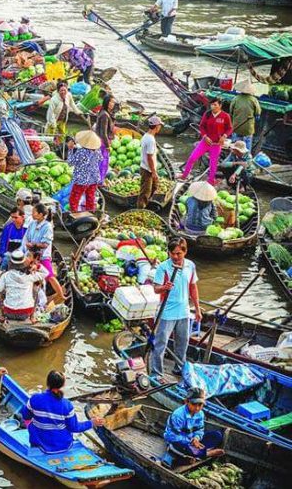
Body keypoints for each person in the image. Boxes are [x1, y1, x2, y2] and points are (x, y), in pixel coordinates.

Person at [151, 237, 200, 380]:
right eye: (172, 253)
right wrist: (164, 287)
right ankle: (156, 373)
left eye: (178, 253)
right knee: (160, 344)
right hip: (166, 313)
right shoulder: (163, 268)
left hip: (183, 311)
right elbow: (156, 289)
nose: (175, 257)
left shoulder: (190, 266)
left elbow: (193, 287)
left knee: (182, 342)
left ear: (185, 252)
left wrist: (197, 309)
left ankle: (179, 369)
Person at [23, 371, 105, 454]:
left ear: (47, 383)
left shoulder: (35, 399)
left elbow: (25, 416)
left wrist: (31, 426)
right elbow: (74, 428)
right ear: (62, 385)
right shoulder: (67, 405)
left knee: (31, 423)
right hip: (64, 446)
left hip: (39, 445)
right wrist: (91, 423)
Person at [164, 388, 224, 463]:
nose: (197, 408)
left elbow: (199, 430)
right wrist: (190, 441)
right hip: (178, 442)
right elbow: (171, 436)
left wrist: (196, 438)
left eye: (200, 404)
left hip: (193, 441)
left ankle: (197, 454)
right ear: (186, 401)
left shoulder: (200, 414)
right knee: (176, 448)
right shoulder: (178, 415)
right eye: (193, 404)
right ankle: (206, 453)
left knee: (217, 435)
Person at [180, 98, 232, 185]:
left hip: (216, 144)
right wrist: (205, 136)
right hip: (205, 142)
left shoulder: (225, 116)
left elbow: (229, 128)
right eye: (212, 105)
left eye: (215, 105)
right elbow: (202, 126)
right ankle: (184, 175)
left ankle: (211, 180)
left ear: (220, 106)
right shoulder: (207, 114)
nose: (213, 107)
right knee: (192, 158)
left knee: (213, 163)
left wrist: (224, 136)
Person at [0, 250, 48, 323]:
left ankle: (2, 315)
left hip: (9, 313)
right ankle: (32, 317)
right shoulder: (30, 276)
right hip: (26, 313)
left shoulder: (6, 275)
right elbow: (46, 273)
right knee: (36, 290)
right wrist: (37, 266)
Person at [21, 203, 65, 302]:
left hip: (43, 255)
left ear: (41, 214)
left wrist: (34, 245)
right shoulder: (32, 223)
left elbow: (45, 244)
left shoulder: (47, 226)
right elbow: (27, 237)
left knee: (49, 276)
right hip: (31, 254)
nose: (32, 214)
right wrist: (28, 244)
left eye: (34, 212)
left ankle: (61, 295)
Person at [67, 131, 103, 213]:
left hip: (82, 179)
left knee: (74, 198)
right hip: (94, 178)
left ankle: (74, 214)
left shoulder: (81, 152)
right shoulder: (97, 150)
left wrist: (70, 149)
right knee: (90, 198)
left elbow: (70, 163)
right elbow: (100, 159)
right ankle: (90, 213)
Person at [138, 115, 164, 209]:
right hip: (147, 169)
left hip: (146, 167)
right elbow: (150, 157)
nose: (160, 128)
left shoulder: (146, 136)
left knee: (154, 186)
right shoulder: (150, 140)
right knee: (145, 192)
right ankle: (141, 209)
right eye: (160, 126)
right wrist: (153, 172)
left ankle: (146, 204)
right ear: (157, 126)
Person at [230, 79, 261, 152]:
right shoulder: (254, 100)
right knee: (247, 146)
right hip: (248, 128)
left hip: (237, 126)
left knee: (235, 145)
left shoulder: (235, 99)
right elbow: (258, 113)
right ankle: (247, 159)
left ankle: (234, 156)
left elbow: (231, 112)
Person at [94, 94, 116, 182]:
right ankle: (100, 181)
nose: (113, 104)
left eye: (114, 102)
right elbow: (103, 133)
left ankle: (99, 179)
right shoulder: (104, 115)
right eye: (111, 102)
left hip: (102, 141)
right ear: (107, 102)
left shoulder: (105, 113)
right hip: (102, 142)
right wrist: (107, 145)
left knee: (101, 161)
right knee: (103, 163)